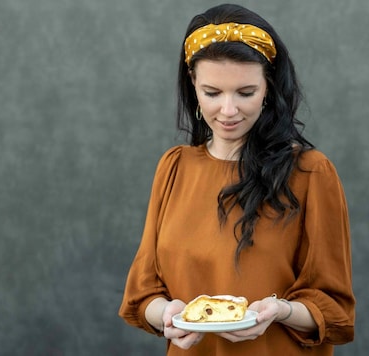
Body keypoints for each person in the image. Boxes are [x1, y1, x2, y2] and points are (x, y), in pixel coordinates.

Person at [119, 4, 355, 355]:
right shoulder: (174, 167)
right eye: (212, 93)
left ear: (268, 89)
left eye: (245, 92)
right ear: (193, 88)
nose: (228, 111)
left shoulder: (310, 173)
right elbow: (143, 294)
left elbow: (336, 312)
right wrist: (169, 315)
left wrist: (281, 311)